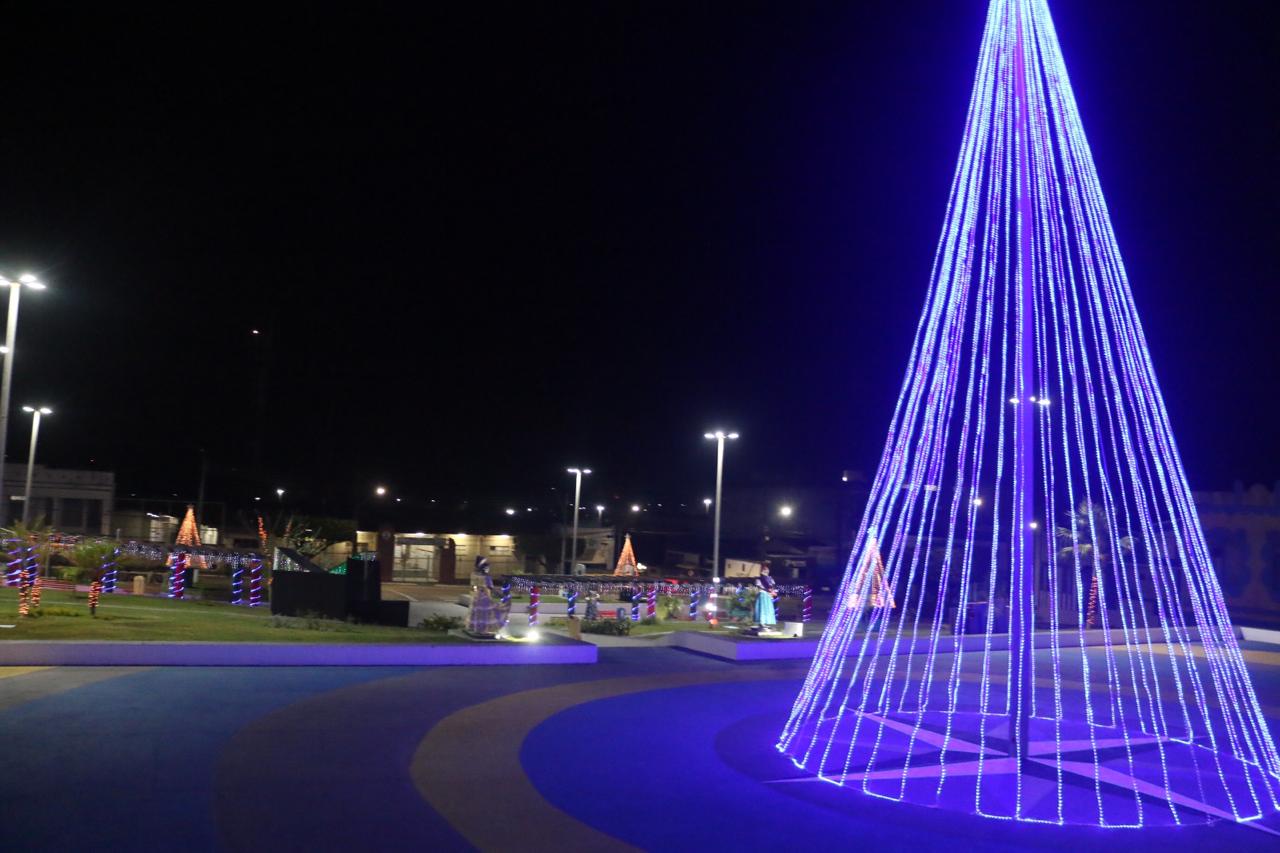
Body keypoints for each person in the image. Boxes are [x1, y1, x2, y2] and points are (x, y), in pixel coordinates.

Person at [466, 556, 505, 637]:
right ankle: (484, 630)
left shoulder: (473, 574)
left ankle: (475, 628)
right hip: (485, 597)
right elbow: (489, 588)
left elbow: (473, 586)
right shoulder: (487, 577)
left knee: (477, 613)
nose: (488, 569)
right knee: (486, 614)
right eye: (487, 567)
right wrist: (499, 594)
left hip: (476, 596)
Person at [755, 565, 778, 629]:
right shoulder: (759, 578)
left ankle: (765, 622)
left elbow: (772, 585)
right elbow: (759, 586)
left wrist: (772, 591)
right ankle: (761, 622)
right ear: (762, 571)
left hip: (768, 595)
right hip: (763, 595)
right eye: (765, 570)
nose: (766, 571)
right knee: (762, 609)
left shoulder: (770, 578)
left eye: (767, 570)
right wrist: (769, 590)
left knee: (767, 609)